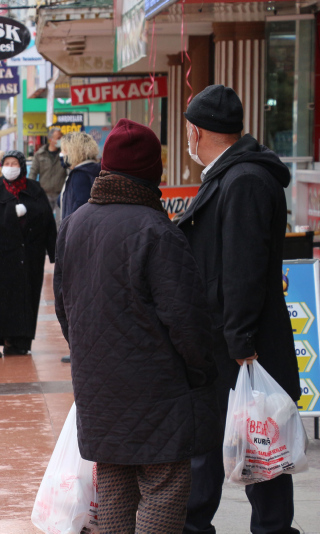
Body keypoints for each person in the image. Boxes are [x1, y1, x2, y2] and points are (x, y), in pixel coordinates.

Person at [54, 119, 221, 533]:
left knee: (113, 489)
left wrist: (89, 355)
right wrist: (202, 373)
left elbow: (63, 307)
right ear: (153, 173)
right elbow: (188, 322)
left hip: (98, 390)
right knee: (163, 490)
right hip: (158, 393)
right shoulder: (157, 230)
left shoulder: (74, 224)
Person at [177, 85, 301, 534]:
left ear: (196, 131)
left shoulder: (244, 179)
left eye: (188, 131)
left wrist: (241, 343)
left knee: (260, 448)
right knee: (222, 444)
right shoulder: (228, 174)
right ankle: (198, 524)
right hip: (226, 341)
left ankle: (270, 529)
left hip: (243, 347)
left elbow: (243, 271)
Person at [0, 150, 56, 358]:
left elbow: (47, 221)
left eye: (14, 163)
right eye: (6, 163)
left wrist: (53, 252)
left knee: (23, 300)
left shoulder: (34, 190)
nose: (10, 167)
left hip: (28, 257)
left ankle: (16, 342)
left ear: (22, 166)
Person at [59, 132, 100, 221]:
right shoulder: (95, 169)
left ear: (74, 152)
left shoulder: (79, 175)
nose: (61, 154)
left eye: (64, 151)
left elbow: (80, 209)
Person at [29, 128, 66, 215]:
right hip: (45, 194)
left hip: (60, 194)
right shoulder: (40, 154)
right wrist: (31, 191)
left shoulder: (64, 155)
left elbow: (69, 172)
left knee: (60, 222)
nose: (60, 140)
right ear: (50, 139)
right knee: (44, 220)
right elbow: (33, 173)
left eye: (61, 138)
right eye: (58, 138)